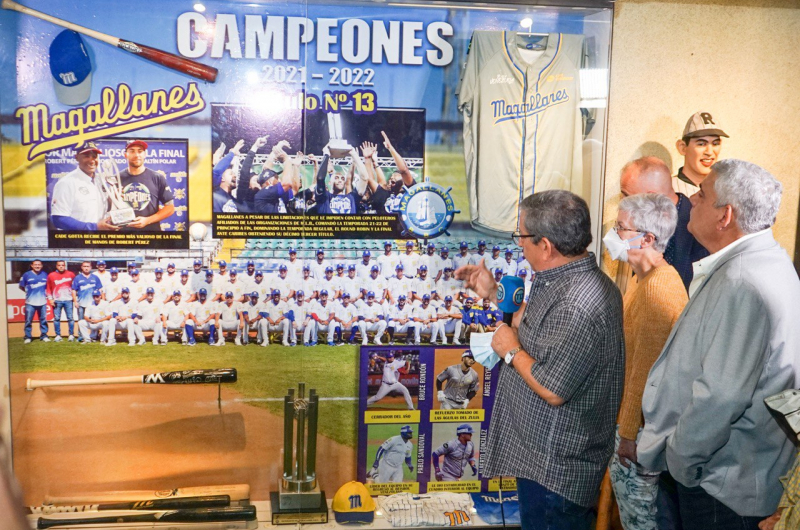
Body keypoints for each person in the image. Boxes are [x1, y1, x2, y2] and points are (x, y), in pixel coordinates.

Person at [637, 160, 800, 530]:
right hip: (731, 475)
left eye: (702, 194)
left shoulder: (744, 279)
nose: (692, 198)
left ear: (725, 215)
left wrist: (681, 461)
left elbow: (721, 395)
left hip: (722, 486)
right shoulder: (763, 262)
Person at [456, 189, 624, 529]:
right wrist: (492, 293)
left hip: (556, 476)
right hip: (543, 465)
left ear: (545, 245)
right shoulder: (569, 281)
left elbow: (553, 388)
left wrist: (511, 350)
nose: (519, 243)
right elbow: (549, 333)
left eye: (522, 235)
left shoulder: (579, 301)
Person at [602, 193, 687, 530]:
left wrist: (626, 434)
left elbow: (645, 373)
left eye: (621, 228)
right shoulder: (643, 280)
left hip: (641, 441)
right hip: (638, 433)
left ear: (648, 238)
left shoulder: (657, 289)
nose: (614, 235)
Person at [620, 156, 708, 290]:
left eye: (627, 196)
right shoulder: (636, 226)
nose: (622, 203)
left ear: (651, 197)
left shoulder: (701, 231)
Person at [50, 142, 116, 231]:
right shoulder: (66, 183)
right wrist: (94, 227)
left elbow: (101, 208)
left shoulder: (100, 180)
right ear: (76, 157)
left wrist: (115, 199)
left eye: (94, 156)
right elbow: (58, 219)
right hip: (76, 241)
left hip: (100, 240)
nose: (92, 160)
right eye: (86, 156)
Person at [118, 139, 175, 230]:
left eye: (140, 151)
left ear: (145, 154)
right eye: (132, 151)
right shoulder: (116, 179)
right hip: (125, 237)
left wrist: (147, 220)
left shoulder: (157, 177)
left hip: (151, 236)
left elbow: (170, 208)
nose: (136, 155)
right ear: (125, 155)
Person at [672, 111, 728, 197]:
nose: (709, 152)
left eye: (715, 143)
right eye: (701, 144)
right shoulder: (669, 190)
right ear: (682, 147)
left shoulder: (727, 189)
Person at [20, 260, 49, 343]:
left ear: (42, 266)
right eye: (35, 265)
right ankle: (28, 337)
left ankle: (44, 336)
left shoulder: (45, 274)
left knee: (43, 320)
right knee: (28, 320)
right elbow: (21, 286)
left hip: (42, 302)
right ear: (32, 266)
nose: (37, 266)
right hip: (30, 302)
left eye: (39, 265)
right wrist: (28, 292)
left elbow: (47, 287)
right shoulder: (26, 274)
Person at [46, 260, 76, 342]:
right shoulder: (51, 275)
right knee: (56, 318)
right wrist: (50, 299)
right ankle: (58, 335)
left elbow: (75, 286)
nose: (61, 266)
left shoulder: (71, 274)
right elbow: (48, 288)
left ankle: (71, 335)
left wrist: (75, 297)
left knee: (70, 318)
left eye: (63, 265)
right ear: (56, 266)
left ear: (65, 266)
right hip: (57, 300)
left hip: (68, 300)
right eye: (59, 265)